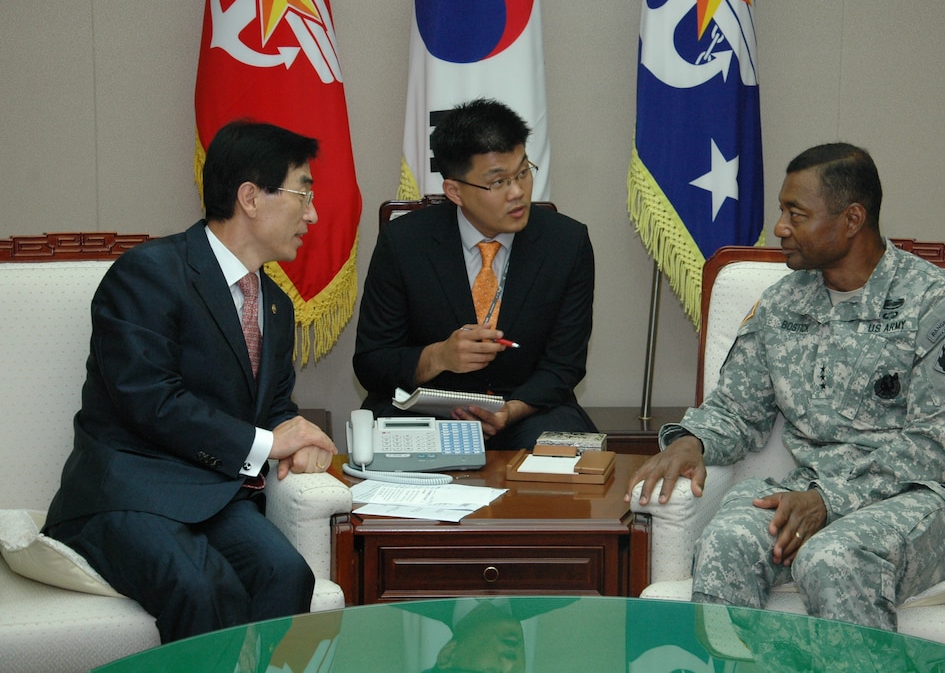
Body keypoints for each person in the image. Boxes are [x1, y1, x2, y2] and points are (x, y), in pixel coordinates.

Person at [626, 143, 945, 631]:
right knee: (727, 541)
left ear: (852, 219)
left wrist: (829, 499)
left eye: (795, 213)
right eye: (782, 211)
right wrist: (691, 441)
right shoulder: (783, 304)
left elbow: (936, 447)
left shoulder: (944, 308)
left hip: (924, 498)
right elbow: (738, 411)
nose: (780, 227)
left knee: (833, 558)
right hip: (807, 491)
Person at [44, 120, 339, 643]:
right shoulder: (150, 273)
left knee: (287, 574)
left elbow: (271, 405)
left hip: (212, 495)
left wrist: (299, 438)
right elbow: (150, 401)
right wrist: (272, 442)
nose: (312, 214)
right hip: (127, 493)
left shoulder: (274, 302)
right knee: (202, 587)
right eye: (303, 192)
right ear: (250, 197)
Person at [353, 98, 596, 450]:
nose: (518, 193)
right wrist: (439, 356)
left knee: (566, 462)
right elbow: (372, 362)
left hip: (526, 411)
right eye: (498, 183)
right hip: (429, 411)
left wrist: (509, 411)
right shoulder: (404, 243)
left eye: (523, 172)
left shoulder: (566, 243)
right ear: (454, 191)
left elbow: (565, 366)